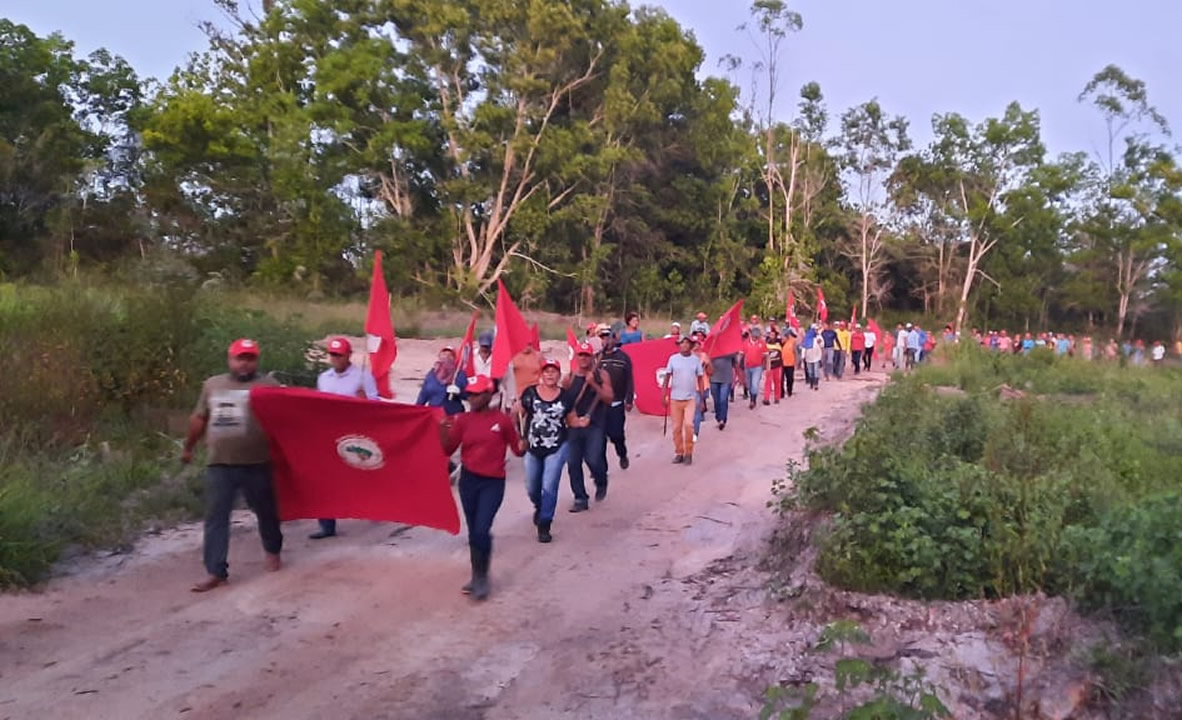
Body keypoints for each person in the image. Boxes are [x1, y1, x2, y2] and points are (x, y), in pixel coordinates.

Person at [182, 338, 283, 593]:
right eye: (240, 358)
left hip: (258, 462)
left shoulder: (269, 386)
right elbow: (199, 417)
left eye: (250, 358)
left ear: (256, 361)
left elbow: (287, 419)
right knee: (216, 517)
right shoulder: (212, 385)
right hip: (220, 463)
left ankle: (273, 550)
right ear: (230, 359)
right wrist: (188, 447)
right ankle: (216, 572)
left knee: (266, 512)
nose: (244, 364)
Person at [440, 375, 524, 601]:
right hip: (469, 481)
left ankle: (482, 578)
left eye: (476, 394)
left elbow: (518, 450)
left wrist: (524, 443)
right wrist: (443, 432)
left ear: (488, 395)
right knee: (474, 531)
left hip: (492, 483)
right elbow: (447, 450)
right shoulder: (462, 420)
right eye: (469, 394)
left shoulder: (502, 421)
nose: (471, 398)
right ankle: (477, 575)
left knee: (481, 529)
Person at [309, 337, 380, 540]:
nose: (335, 358)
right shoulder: (324, 378)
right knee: (324, 478)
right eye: (332, 354)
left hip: (354, 433)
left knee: (360, 474)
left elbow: (376, 404)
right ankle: (326, 524)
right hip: (328, 432)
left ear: (348, 355)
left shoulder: (362, 377)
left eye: (339, 355)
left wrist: (364, 400)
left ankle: (375, 507)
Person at [519, 358, 573, 544]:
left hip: (557, 446)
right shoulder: (530, 393)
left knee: (549, 485)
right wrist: (519, 433)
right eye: (546, 371)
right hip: (533, 447)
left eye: (553, 371)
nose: (550, 374)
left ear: (558, 374)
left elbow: (571, 420)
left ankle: (545, 524)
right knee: (532, 487)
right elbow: (519, 417)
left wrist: (582, 422)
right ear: (541, 374)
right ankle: (539, 505)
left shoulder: (566, 396)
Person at [564, 343, 614, 512]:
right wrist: (571, 419)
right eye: (580, 355)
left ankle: (601, 481)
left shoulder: (601, 375)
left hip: (595, 425)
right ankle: (580, 498)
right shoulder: (569, 378)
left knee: (593, 459)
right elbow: (563, 401)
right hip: (574, 426)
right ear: (576, 357)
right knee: (573, 462)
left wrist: (593, 383)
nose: (583, 358)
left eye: (586, 355)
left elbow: (609, 398)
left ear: (592, 357)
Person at [597, 327, 635, 470]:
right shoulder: (597, 358)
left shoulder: (623, 358)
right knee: (599, 438)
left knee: (617, 435)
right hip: (599, 404)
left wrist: (629, 399)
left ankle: (622, 454)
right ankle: (601, 469)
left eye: (608, 337)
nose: (605, 341)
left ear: (614, 339)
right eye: (602, 338)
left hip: (617, 403)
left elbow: (629, 380)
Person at [662, 336, 704, 465]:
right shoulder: (673, 359)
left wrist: (702, 399)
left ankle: (689, 452)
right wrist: (663, 395)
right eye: (682, 343)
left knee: (689, 425)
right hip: (675, 398)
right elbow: (667, 377)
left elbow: (700, 379)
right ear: (679, 345)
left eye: (687, 343)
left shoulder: (695, 360)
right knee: (676, 428)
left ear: (691, 345)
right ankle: (679, 452)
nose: (684, 345)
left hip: (690, 398)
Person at [417, 347, 468, 415]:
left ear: (454, 358)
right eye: (444, 354)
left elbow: (468, 396)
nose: (446, 357)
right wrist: (417, 411)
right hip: (433, 414)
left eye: (449, 355)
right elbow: (423, 395)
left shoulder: (459, 374)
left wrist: (459, 392)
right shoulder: (431, 374)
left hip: (453, 414)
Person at [710, 349, 738, 430]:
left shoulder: (730, 351)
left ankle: (722, 420)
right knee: (716, 400)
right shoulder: (712, 349)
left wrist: (738, 376)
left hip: (726, 379)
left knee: (723, 399)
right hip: (714, 378)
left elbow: (735, 364)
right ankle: (718, 417)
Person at [743, 327, 768, 410]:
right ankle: (752, 398)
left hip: (758, 367)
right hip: (747, 366)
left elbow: (766, 355)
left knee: (755, 384)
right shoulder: (746, 343)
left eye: (757, 337)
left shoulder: (762, 343)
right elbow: (742, 354)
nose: (755, 338)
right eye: (754, 336)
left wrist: (764, 366)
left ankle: (753, 401)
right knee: (749, 385)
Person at [763, 327, 784, 405]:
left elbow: (784, 338)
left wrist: (778, 331)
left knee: (777, 382)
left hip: (778, 365)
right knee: (768, 382)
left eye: (773, 335)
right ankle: (766, 399)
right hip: (769, 365)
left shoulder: (779, 343)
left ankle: (777, 398)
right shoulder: (766, 343)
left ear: (775, 336)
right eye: (770, 335)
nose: (771, 336)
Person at [802, 325, 823, 390]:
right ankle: (811, 383)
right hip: (809, 357)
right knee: (810, 371)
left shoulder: (819, 337)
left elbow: (822, 345)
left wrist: (820, 342)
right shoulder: (807, 338)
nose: (816, 331)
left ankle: (816, 384)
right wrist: (803, 356)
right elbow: (804, 347)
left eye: (817, 330)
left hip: (817, 356)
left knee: (816, 370)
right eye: (815, 330)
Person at [781, 328, 797, 398]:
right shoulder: (780, 342)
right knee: (781, 379)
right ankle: (781, 393)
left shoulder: (792, 341)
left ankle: (789, 391)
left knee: (790, 378)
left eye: (786, 335)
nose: (784, 337)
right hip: (781, 364)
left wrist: (796, 362)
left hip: (790, 363)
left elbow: (795, 352)